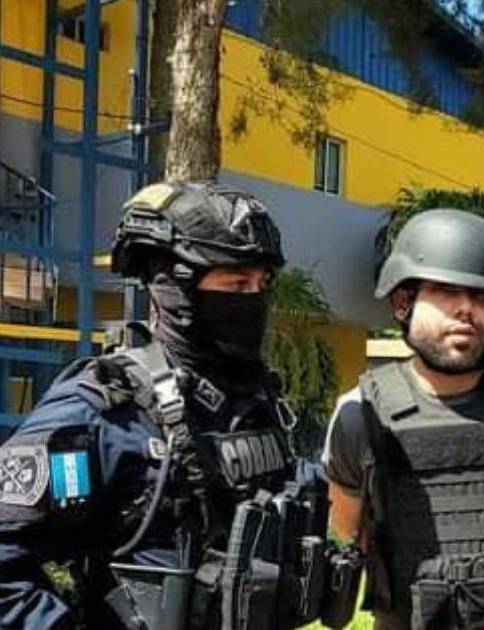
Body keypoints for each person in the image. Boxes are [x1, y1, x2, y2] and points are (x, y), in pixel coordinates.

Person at [0, 181, 323, 629]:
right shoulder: (103, 408)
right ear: (173, 286)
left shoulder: (258, 401)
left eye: (261, 284)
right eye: (236, 283)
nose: (254, 300)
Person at [322, 208, 484, 630]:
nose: (467, 309)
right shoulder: (361, 415)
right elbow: (348, 529)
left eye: (482, 296)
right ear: (403, 302)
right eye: (447, 291)